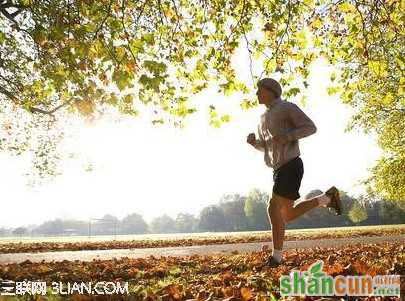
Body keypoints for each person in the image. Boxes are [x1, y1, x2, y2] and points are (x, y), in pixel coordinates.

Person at [246, 78, 342, 267]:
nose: (256, 94)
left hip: (291, 165)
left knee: (273, 208)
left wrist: (288, 136)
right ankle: (327, 198)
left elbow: (310, 127)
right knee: (287, 215)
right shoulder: (262, 118)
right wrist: (254, 143)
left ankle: (276, 258)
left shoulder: (287, 107)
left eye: (259, 90)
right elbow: (268, 147)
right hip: (277, 169)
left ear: (271, 91)